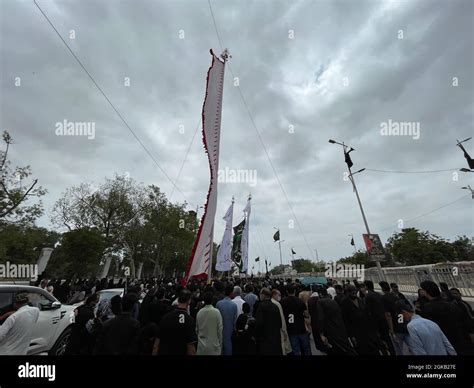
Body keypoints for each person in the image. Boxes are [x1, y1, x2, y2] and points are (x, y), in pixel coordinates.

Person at [420, 280, 472, 355]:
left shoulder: (427, 308)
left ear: (426, 292)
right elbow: (464, 321)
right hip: (461, 339)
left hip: (445, 342)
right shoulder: (451, 304)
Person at [316, 287, 356, 355]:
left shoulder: (320, 302)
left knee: (336, 348)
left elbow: (321, 318)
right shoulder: (333, 301)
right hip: (340, 327)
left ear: (320, 294)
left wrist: (321, 333)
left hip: (330, 330)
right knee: (345, 347)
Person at [341, 285, 380, 355]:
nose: (354, 295)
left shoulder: (360, 300)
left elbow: (367, 314)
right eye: (352, 293)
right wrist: (351, 336)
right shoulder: (344, 303)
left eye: (355, 293)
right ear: (348, 293)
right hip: (356, 332)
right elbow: (345, 321)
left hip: (367, 330)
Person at [155, 290, 197, 355]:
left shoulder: (165, 317)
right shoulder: (190, 320)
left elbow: (156, 344)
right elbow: (191, 348)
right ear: (189, 301)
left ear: (178, 300)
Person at [379, 281, 410, 355]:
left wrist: (391, 330)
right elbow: (401, 311)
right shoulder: (395, 296)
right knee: (409, 346)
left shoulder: (383, 298)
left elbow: (388, 315)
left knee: (399, 349)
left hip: (395, 327)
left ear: (382, 289)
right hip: (402, 324)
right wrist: (401, 322)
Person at [364, 280, 393, 355]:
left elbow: (368, 311)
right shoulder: (378, 294)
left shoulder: (368, 296)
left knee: (380, 340)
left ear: (366, 287)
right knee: (388, 338)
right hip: (383, 319)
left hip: (377, 322)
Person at [281, 285, 311, 355]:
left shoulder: (283, 302)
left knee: (295, 349)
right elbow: (306, 314)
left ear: (287, 292)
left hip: (290, 329)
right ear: (294, 291)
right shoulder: (300, 301)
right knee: (306, 347)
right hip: (301, 328)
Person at [255, 288, 282, 355]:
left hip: (265, 339)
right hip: (275, 338)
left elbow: (259, 323)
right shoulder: (275, 306)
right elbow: (280, 323)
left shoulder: (261, 306)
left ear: (263, 295)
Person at [216, 285, 238, 355]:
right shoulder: (234, 305)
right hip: (230, 330)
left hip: (219, 330)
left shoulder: (218, 304)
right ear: (231, 293)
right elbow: (235, 321)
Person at [271, 289, 292, 355]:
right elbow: (282, 318)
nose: (280, 296)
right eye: (279, 295)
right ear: (274, 295)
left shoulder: (270, 302)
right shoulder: (277, 304)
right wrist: (284, 331)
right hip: (279, 329)